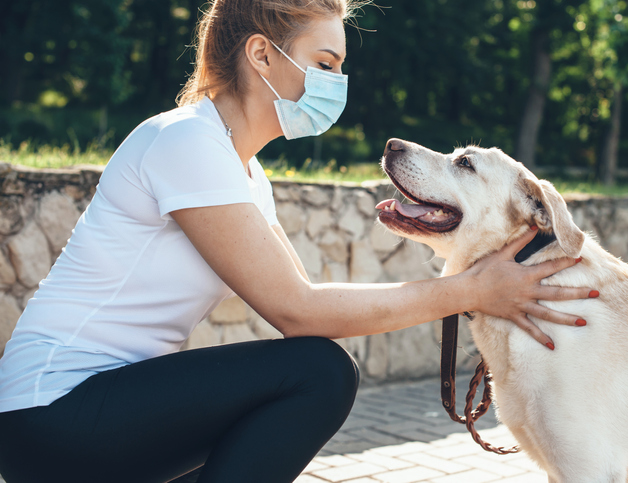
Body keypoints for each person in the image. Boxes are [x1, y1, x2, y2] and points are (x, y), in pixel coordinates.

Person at [0, 0, 596, 482]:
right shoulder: (184, 143)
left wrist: (473, 285)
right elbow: (298, 313)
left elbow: (306, 301)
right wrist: (470, 290)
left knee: (289, 393)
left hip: (99, 412)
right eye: (327, 62)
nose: (338, 83)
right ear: (262, 53)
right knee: (318, 372)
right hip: (50, 411)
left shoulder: (246, 175)